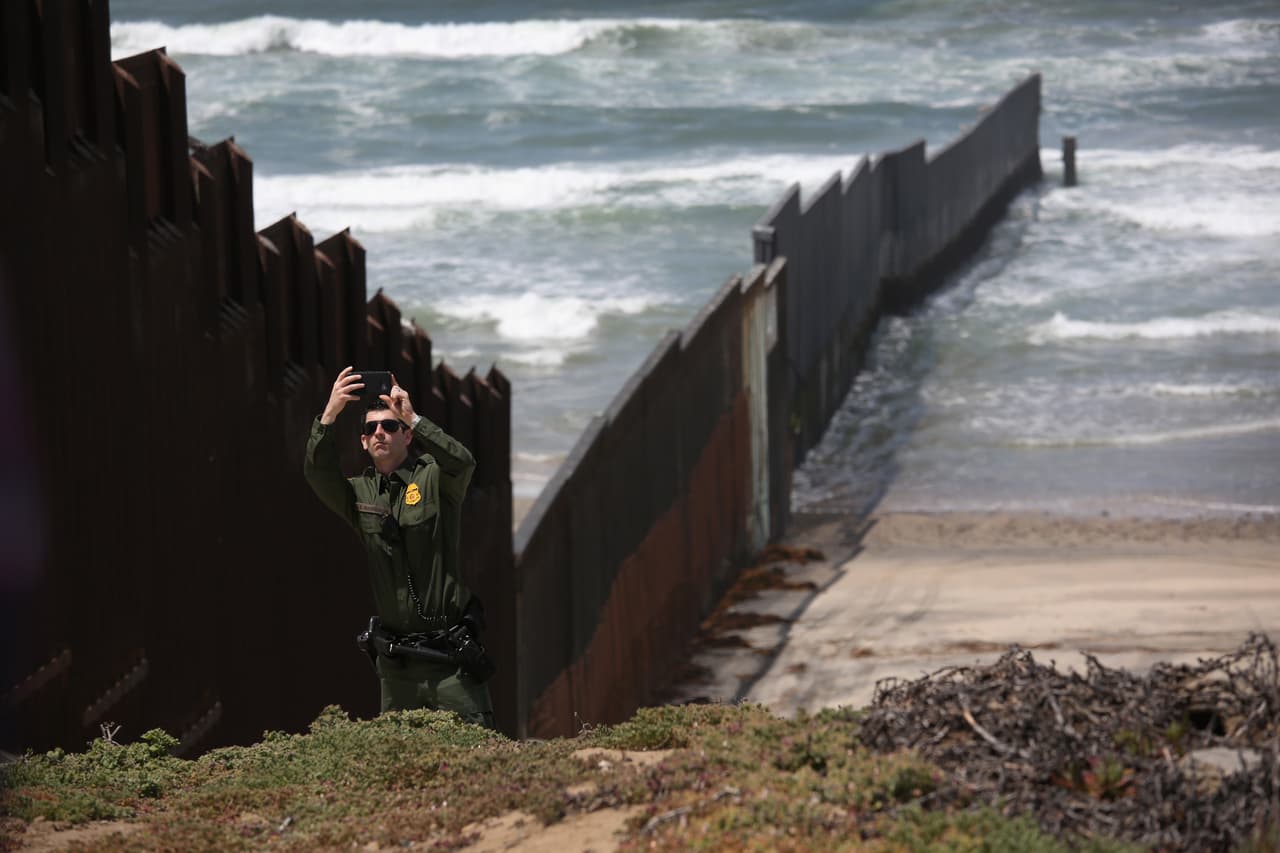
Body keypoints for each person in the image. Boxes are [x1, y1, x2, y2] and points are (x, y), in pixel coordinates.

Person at [304, 365, 494, 727]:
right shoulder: (359, 493)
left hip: (450, 661)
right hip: (398, 665)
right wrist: (328, 416)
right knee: (399, 766)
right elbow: (319, 474)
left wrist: (415, 417)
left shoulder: (435, 479)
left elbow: (464, 462)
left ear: (406, 437)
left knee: (474, 753)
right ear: (362, 441)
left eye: (390, 426)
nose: (380, 433)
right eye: (371, 428)